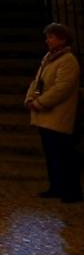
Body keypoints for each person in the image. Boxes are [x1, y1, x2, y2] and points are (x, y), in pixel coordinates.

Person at [25, 23, 83, 204]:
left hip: (58, 115)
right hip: (45, 117)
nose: (47, 40)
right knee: (52, 155)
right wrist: (29, 98)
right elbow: (37, 81)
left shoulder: (68, 61)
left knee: (65, 155)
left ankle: (72, 191)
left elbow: (61, 89)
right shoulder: (48, 58)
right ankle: (56, 186)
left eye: (51, 37)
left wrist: (40, 103)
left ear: (62, 39)